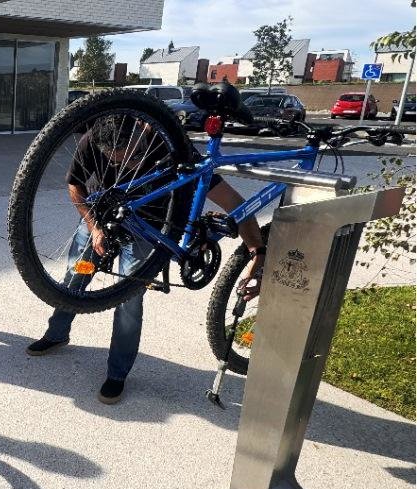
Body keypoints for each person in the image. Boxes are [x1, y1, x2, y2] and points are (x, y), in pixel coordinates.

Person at [25, 116, 265, 404]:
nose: (125, 164)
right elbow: (76, 186)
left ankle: (117, 373)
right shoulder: (93, 138)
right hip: (101, 217)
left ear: (140, 129)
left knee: (129, 301)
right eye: (115, 160)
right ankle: (57, 333)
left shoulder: (173, 147)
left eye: (133, 156)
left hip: (148, 226)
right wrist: (93, 226)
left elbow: (236, 204)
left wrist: (256, 250)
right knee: (73, 279)